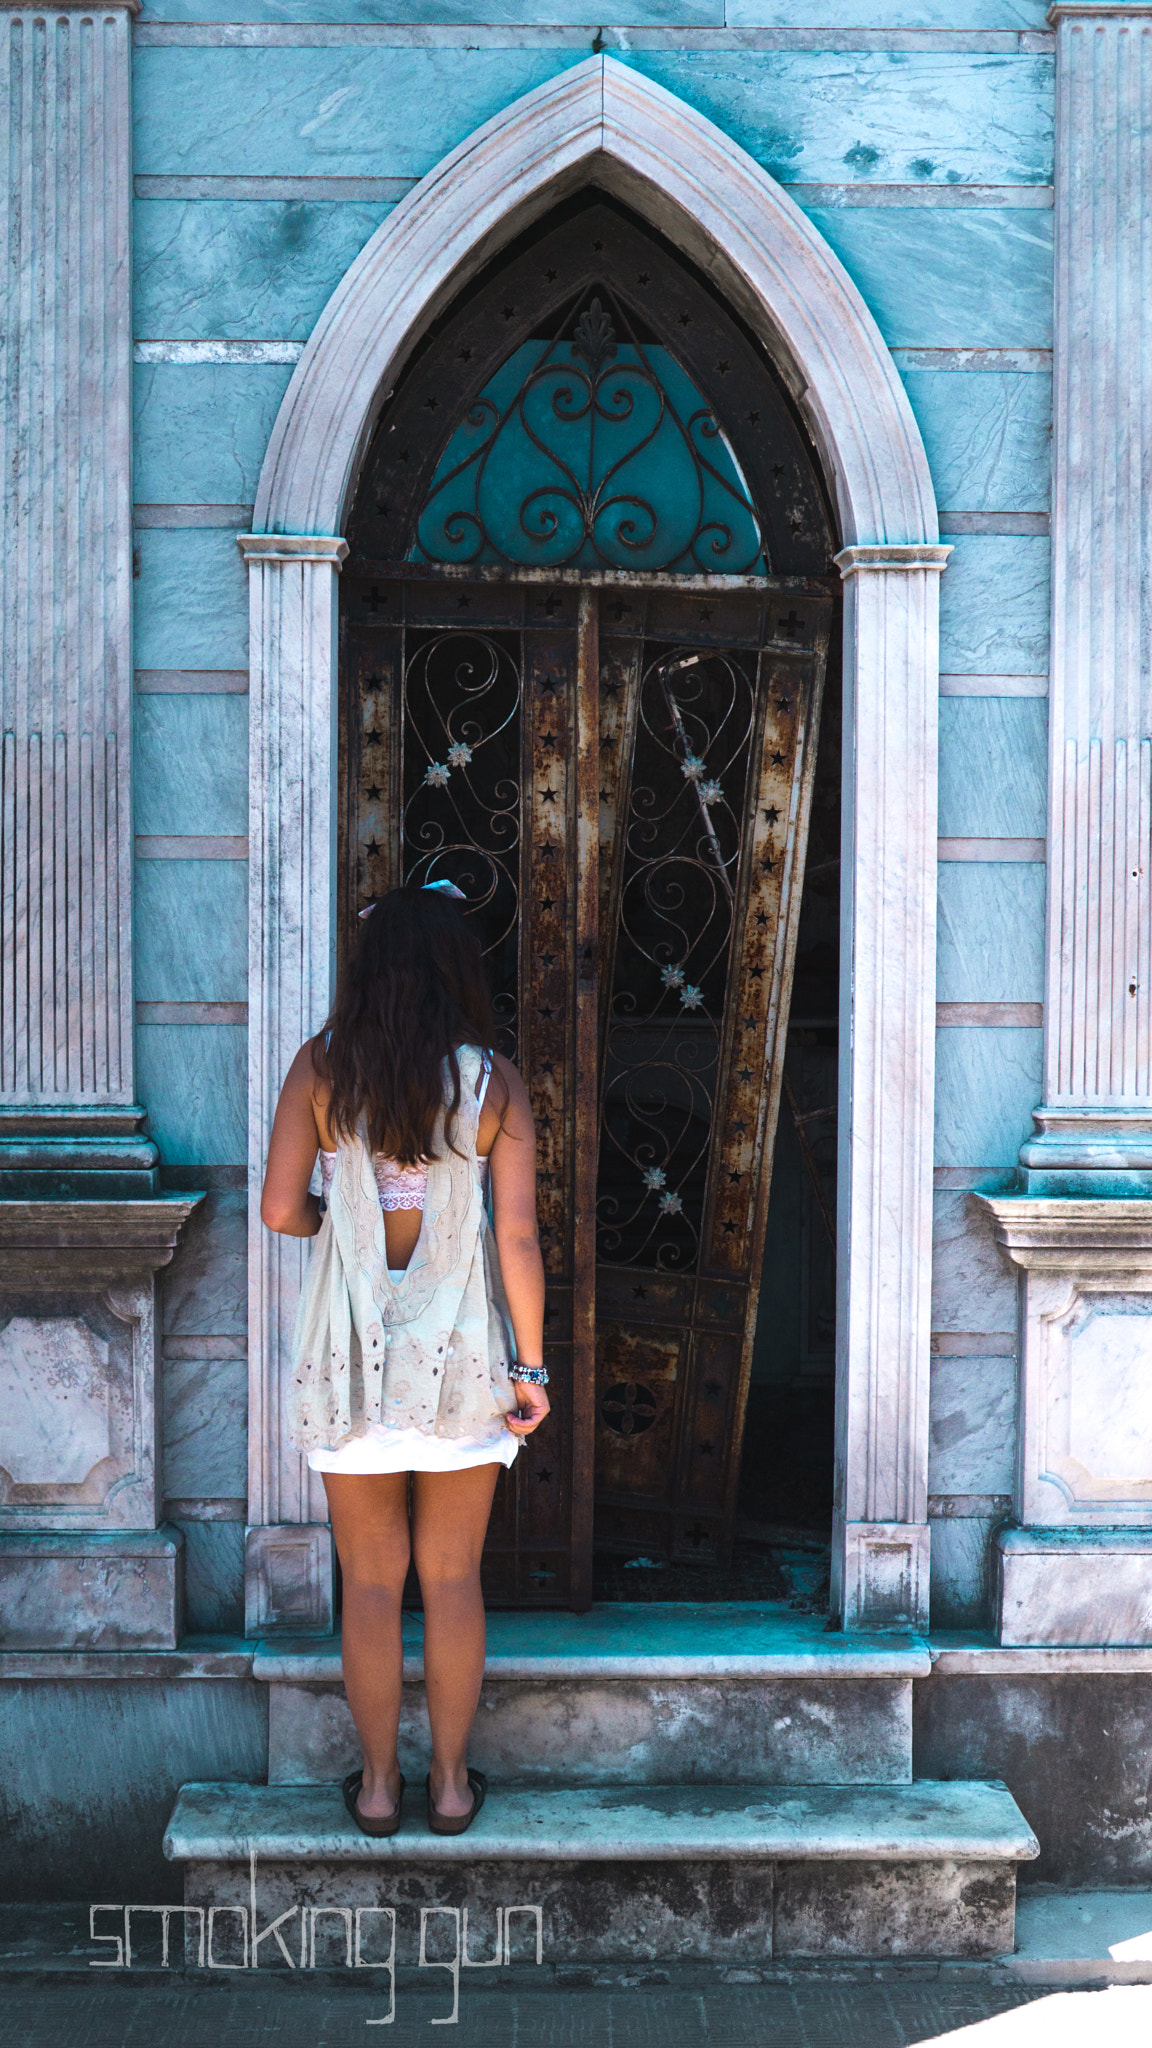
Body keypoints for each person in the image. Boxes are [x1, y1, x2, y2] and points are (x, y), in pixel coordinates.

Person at [260, 880, 549, 1837]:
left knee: (373, 1582)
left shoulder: (322, 1068)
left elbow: (277, 1210)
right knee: (453, 1579)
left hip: (349, 1354)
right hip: (464, 1358)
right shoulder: (491, 1083)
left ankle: (379, 1790)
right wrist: (532, 1371)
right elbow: (516, 1241)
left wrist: (333, 1227)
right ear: (454, 968)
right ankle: (454, 1788)